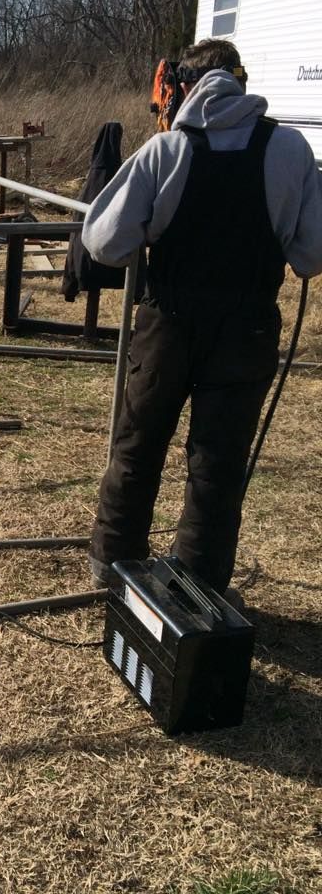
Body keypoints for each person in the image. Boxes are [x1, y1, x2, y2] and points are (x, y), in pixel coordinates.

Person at [82, 37, 322, 597]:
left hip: (169, 322)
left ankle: (112, 563)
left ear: (184, 86)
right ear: (242, 81)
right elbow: (311, 256)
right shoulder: (291, 150)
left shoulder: (167, 151)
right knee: (219, 459)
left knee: (139, 443)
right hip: (248, 329)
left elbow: (103, 242)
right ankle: (200, 587)